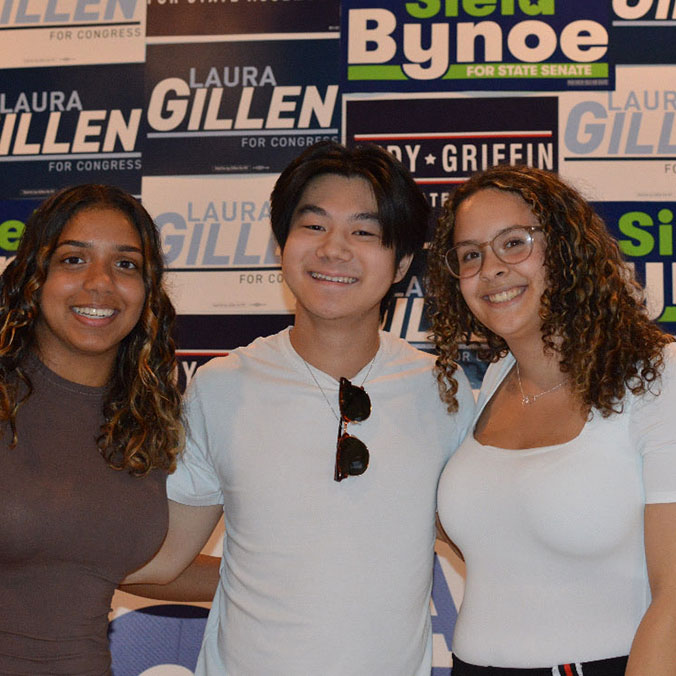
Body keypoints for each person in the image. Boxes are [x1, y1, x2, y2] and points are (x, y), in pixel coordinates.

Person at [123, 140, 475, 674]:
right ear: (282, 244)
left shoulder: (444, 393)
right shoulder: (222, 387)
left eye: (364, 231)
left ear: (402, 262)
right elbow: (161, 561)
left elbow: (494, 541)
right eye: (313, 226)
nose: (334, 249)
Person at [426, 164, 676, 676]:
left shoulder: (658, 376)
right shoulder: (495, 378)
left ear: (564, 248)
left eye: (513, 243)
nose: (490, 268)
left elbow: (674, 596)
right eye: (470, 254)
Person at [0, 184, 183, 674]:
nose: (100, 283)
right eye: (73, 259)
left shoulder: (150, 423)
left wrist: (296, 574)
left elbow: (158, 567)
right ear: (33, 277)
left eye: (126, 264)